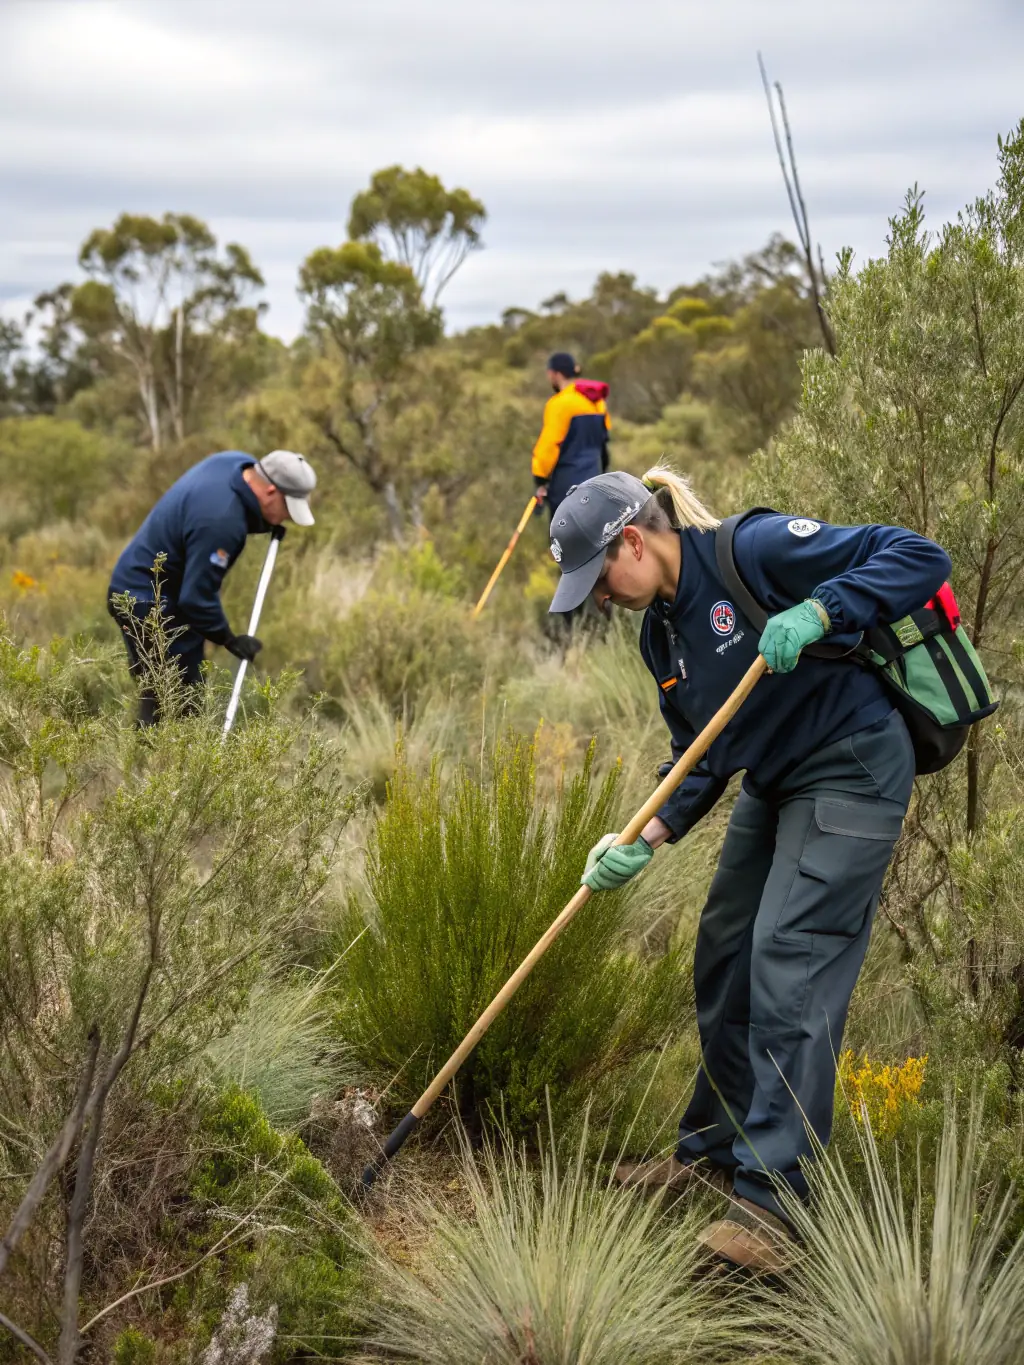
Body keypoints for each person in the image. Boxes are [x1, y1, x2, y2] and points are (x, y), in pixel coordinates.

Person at [546, 466, 951, 1271]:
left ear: (633, 540)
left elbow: (920, 557)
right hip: (775, 777)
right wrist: (643, 833)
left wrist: (819, 607)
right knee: (727, 947)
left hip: (853, 764)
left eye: (599, 580)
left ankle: (775, 1204)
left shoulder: (752, 549)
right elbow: (701, 755)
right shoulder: (659, 634)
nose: (599, 598)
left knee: (790, 954)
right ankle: (712, 1156)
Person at [108, 448, 317, 726]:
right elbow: (196, 600)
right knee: (177, 701)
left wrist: (266, 522)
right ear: (269, 491)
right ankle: (156, 766)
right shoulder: (221, 521)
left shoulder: (233, 462)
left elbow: (243, 507)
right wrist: (229, 639)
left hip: (156, 587)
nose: (287, 518)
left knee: (169, 694)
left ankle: (153, 759)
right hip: (145, 600)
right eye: (287, 509)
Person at [531, 351, 610, 517]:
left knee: (563, 539)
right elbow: (604, 444)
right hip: (594, 482)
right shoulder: (597, 401)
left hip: (565, 487)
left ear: (556, 374)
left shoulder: (559, 404)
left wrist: (540, 479)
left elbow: (549, 445)